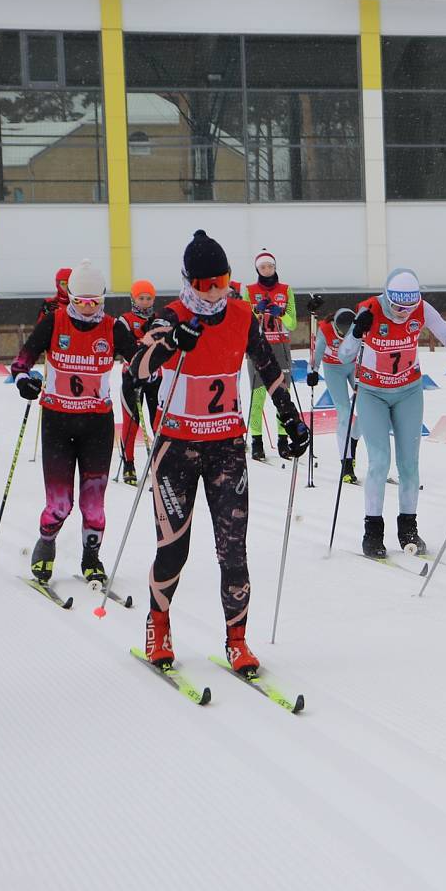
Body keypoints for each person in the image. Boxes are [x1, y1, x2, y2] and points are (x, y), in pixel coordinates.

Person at [129, 230, 311, 674]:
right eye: (206, 284)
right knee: (174, 547)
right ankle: (160, 626)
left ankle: (237, 640)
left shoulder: (242, 315)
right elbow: (137, 368)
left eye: (222, 280)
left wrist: (292, 418)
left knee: (234, 550)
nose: (214, 291)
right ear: (189, 281)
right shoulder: (169, 317)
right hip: (176, 449)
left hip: (226, 448)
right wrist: (174, 342)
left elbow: (269, 368)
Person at [9, 260, 138, 585]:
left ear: (103, 299)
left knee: (94, 502)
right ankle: (47, 543)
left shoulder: (112, 327)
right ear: (71, 297)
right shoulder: (54, 322)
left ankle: (91, 557)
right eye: (80, 301)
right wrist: (23, 377)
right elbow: (23, 358)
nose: (87, 308)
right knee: (60, 502)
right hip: (57, 421)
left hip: (97, 423)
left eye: (94, 302)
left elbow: (141, 360)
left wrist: (148, 371)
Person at [336, 267, 446, 559]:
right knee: (380, 461)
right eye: (397, 308)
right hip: (372, 393)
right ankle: (372, 532)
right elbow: (344, 355)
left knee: (409, 464)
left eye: (408, 309)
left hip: (408, 391)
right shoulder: (369, 309)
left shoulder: (421, 309)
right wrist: (357, 331)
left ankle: (408, 527)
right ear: (387, 298)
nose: (402, 314)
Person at [244, 250, 297, 462]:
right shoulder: (249, 290)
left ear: (275, 267)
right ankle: (257, 441)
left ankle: (283, 440)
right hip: (258, 348)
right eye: (263, 267)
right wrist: (257, 311)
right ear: (257, 269)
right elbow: (244, 320)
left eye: (270, 266)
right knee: (258, 397)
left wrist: (281, 314)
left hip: (280, 348)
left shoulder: (286, 289)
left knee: (282, 395)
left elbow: (292, 322)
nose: (267, 270)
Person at [308, 302, 359, 484]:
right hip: (333, 369)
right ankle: (346, 463)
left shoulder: (359, 326)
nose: (345, 336)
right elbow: (317, 353)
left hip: (354, 367)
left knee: (366, 409)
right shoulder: (326, 330)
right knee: (345, 412)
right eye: (341, 332)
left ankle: (352, 442)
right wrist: (312, 371)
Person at [117, 279, 159, 485]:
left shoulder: (160, 319)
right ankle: (128, 463)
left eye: (148, 298)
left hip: (155, 378)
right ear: (133, 298)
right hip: (131, 377)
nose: (144, 302)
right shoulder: (124, 320)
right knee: (131, 421)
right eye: (141, 298)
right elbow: (123, 345)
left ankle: (159, 461)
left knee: (157, 421)